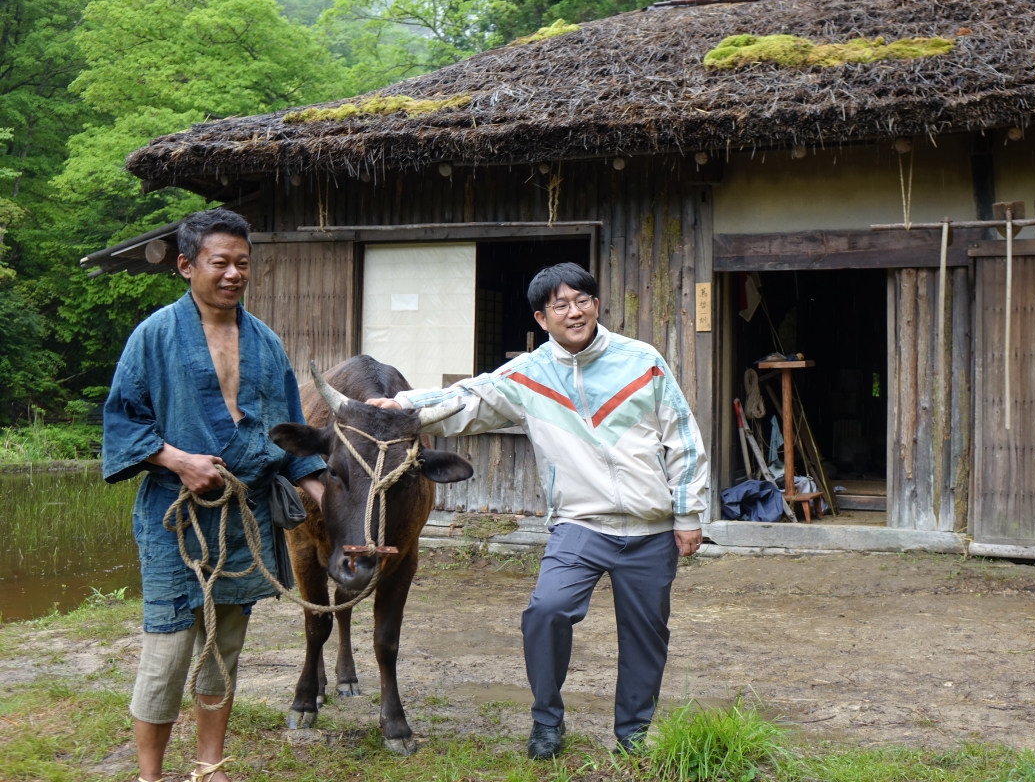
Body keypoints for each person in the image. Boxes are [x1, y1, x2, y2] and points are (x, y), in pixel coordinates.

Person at [366, 262, 708, 758]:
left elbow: (684, 438)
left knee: (646, 634)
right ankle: (547, 720)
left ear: (596, 305)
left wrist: (687, 513)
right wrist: (401, 406)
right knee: (545, 611)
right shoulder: (529, 374)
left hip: (651, 528)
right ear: (542, 318)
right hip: (580, 524)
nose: (575, 312)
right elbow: (467, 398)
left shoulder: (643, 361)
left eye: (583, 300)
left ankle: (633, 734)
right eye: (560, 305)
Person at [102, 209, 325, 782]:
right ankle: (150, 776)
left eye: (242, 263)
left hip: (244, 518)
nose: (233, 274)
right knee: (168, 651)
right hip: (174, 519)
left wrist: (323, 492)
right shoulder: (154, 336)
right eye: (220, 262)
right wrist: (177, 460)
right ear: (186, 265)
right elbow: (123, 421)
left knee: (223, 649)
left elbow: (291, 435)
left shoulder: (267, 343)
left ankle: (209, 765)